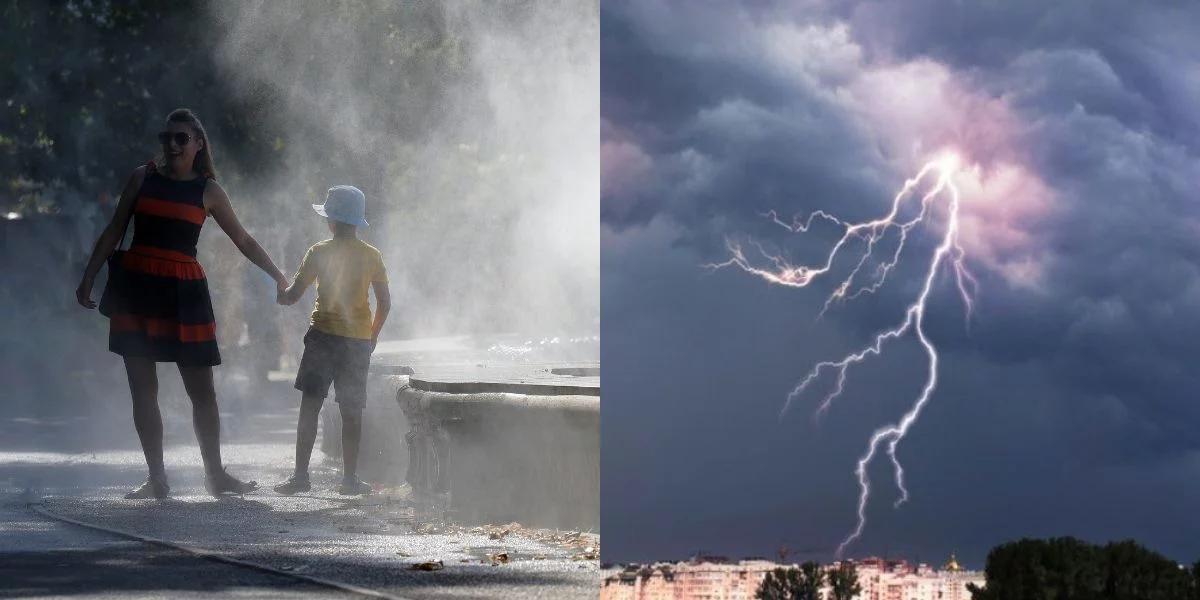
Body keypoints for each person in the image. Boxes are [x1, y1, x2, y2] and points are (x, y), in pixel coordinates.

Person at [75, 108, 287, 499]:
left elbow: (244, 241)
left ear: (198, 144)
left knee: (201, 390)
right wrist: (90, 275)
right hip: (136, 289)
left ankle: (215, 475)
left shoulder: (208, 191)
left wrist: (278, 276)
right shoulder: (143, 177)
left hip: (183, 292)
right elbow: (114, 230)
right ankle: (157, 477)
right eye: (166, 137)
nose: (171, 144)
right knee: (143, 388)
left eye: (180, 138)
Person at [273, 185, 390, 496]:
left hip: (322, 338)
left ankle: (300, 476)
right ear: (357, 221)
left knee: (310, 406)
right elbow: (385, 303)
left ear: (332, 221)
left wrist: (281, 293)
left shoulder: (319, 252)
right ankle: (350, 479)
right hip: (356, 343)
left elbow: (294, 295)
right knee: (352, 410)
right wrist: (372, 335)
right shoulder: (372, 256)